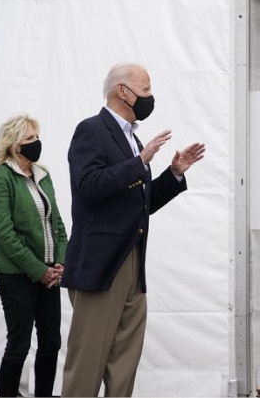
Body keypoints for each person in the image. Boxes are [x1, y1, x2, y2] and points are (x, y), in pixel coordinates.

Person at [60, 62, 205, 397]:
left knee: (124, 365)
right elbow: (88, 186)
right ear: (122, 91)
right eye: (145, 90)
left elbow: (141, 204)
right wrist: (139, 162)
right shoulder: (91, 130)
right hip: (100, 268)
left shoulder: (132, 140)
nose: (150, 97)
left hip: (132, 265)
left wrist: (174, 173)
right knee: (87, 365)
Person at [0, 113, 68, 397]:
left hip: (48, 273)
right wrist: (38, 270)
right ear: (13, 144)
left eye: (37, 136)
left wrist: (59, 262)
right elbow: (4, 235)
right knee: (19, 342)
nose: (36, 142)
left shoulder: (42, 175)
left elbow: (57, 224)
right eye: (30, 138)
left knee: (51, 342)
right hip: (15, 274)